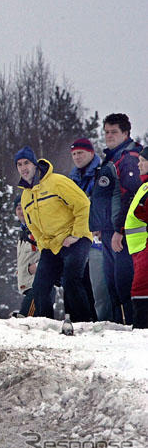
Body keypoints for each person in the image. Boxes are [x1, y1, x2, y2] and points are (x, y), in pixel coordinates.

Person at [15, 146, 95, 322]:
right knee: (39, 286)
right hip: (52, 244)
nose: (23, 168)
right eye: (19, 164)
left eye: (26, 163)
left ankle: (84, 324)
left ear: (35, 164)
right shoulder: (25, 196)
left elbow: (83, 204)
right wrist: (45, 245)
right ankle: (46, 324)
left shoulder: (57, 181)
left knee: (71, 280)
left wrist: (76, 234)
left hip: (76, 239)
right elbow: (32, 226)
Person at [92, 113, 142, 324]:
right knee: (113, 284)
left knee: (125, 283)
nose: (109, 136)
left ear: (126, 133)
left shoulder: (129, 158)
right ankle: (119, 325)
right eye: (106, 132)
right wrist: (97, 225)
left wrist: (120, 230)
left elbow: (130, 196)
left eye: (114, 132)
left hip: (122, 233)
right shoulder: (112, 157)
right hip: (108, 230)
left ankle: (134, 324)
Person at [68, 137, 107, 321]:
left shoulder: (101, 172)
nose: (77, 157)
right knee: (81, 280)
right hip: (79, 236)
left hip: (97, 234)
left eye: (80, 153)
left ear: (91, 153)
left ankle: (105, 321)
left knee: (99, 285)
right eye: (74, 154)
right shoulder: (72, 179)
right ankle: (85, 320)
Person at [124, 147, 148, 328]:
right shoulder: (144, 186)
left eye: (142, 160)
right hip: (139, 249)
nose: (138, 164)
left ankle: (141, 330)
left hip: (145, 248)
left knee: (141, 290)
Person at [15, 195, 40, 316]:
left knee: (28, 322)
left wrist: (38, 266)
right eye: (19, 208)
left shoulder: (39, 229)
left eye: (25, 207)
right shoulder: (23, 233)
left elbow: (52, 253)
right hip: (28, 287)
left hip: (38, 287)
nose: (21, 211)